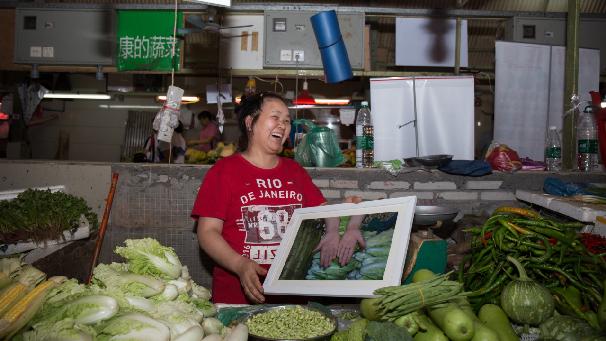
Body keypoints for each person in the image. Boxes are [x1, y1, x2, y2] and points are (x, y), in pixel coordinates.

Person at [191, 92, 364, 304]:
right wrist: (240, 265)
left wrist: (343, 212)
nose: (282, 126)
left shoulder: (295, 171)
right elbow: (207, 232)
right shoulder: (224, 171)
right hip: (237, 299)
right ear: (250, 122)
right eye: (275, 117)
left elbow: (321, 212)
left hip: (290, 299)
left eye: (287, 121)